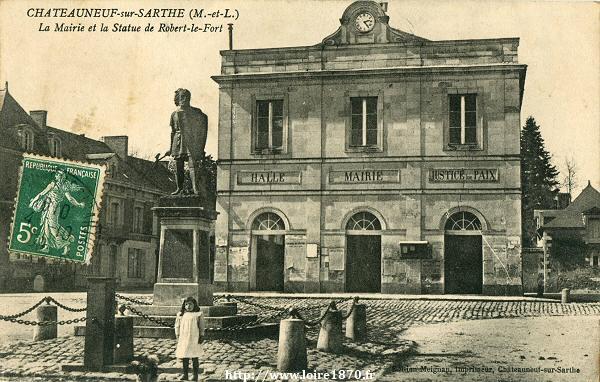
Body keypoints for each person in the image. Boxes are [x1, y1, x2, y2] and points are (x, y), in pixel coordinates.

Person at [28, 169, 84, 255]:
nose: (56, 176)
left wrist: (32, 202)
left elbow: (41, 194)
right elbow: (70, 199)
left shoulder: (53, 185)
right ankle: (47, 247)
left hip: (52, 208)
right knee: (46, 226)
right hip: (51, 207)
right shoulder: (63, 186)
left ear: (60, 176)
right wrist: (78, 204)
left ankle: (65, 242)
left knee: (52, 227)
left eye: (57, 175)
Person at [166, 88, 208, 197]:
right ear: (178, 99)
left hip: (191, 139)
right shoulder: (174, 114)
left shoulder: (195, 112)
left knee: (192, 163)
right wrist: (170, 147)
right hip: (178, 140)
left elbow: (204, 121)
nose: (185, 99)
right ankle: (179, 188)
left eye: (187, 97)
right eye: (182, 97)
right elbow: (173, 131)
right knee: (178, 165)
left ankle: (195, 187)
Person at [175, 296, 205, 381]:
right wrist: (177, 335)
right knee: (185, 356)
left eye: (190, 304)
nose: (188, 306)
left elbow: (201, 326)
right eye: (186, 304)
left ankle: (195, 375)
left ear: (194, 305)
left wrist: (201, 335)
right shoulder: (181, 315)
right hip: (184, 338)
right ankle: (185, 374)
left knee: (194, 357)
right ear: (184, 305)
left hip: (194, 338)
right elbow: (177, 325)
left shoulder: (198, 314)